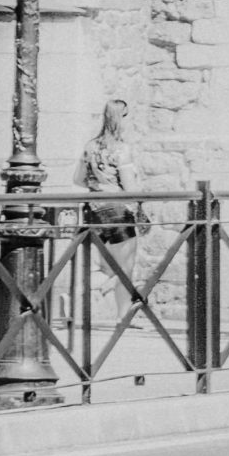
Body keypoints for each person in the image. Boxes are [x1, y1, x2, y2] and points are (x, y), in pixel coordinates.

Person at [76, 99, 143, 315]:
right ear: (121, 118)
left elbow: (78, 179)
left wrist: (98, 184)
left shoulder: (90, 147)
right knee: (125, 268)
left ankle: (74, 300)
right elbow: (129, 187)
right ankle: (123, 316)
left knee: (103, 267)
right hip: (118, 211)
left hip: (94, 210)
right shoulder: (122, 150)